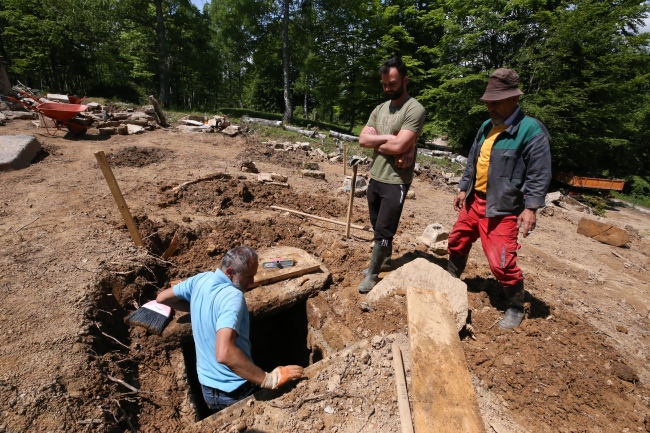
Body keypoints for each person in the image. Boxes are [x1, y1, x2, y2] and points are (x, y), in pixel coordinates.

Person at [447, 68, 552, 329]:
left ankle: (515, 307)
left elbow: (540, 174)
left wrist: (531, 208)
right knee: (456, 241)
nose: (490, 107)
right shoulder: (486, 126)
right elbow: (473, 161)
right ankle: (448, 281)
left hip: (503, 208)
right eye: (488, 102)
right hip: (474, 201)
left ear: (514, 99)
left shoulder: (531, 131)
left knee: (501, 262)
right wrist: (463, 187)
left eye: (496, 102)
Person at [156, 246, 303, 412]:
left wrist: (199, 306)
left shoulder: (200, 279)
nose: (253, 282)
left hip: (207, 388)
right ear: (230, 272)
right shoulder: (233, 297)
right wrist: (270, 380)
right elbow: (225, 353)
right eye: (249, 276)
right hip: (234, 390)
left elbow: (162, 298)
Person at [357, 55, 426, 294]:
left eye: (393, 84)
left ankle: (373, 273)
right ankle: (385, 259)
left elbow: (398, 148)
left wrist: (380, 143)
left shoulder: (414, 109)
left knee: (385, 230)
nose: (388, 88)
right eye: (385, 84)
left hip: (396, 180)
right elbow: (362, 139)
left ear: (405, 80)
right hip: (376, 176)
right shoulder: (379, 109)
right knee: (377, 225)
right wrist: (388, 138)